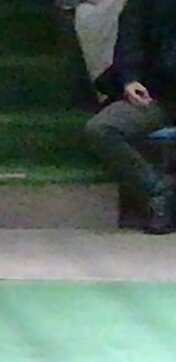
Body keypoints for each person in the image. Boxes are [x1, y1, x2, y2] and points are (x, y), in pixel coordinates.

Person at [83, 0, 176, 234]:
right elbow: (129, 42)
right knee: (102, 129)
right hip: (159, 96)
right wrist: (130, 79)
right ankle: (159, 193)